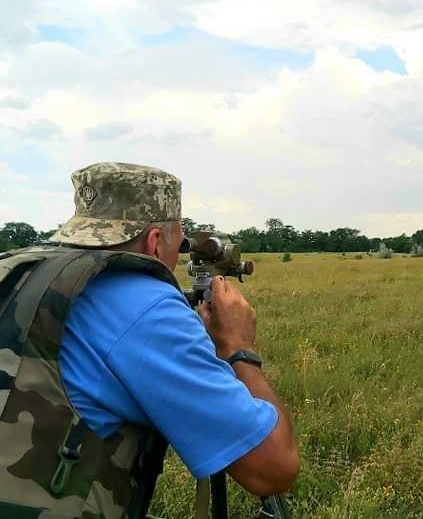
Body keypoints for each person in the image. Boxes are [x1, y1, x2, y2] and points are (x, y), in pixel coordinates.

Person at [51, 162, 300, 501]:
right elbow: (273, 469)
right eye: (179, 242)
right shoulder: (147, 309)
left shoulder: (27, 276)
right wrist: (238, 347)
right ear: (155, 242)